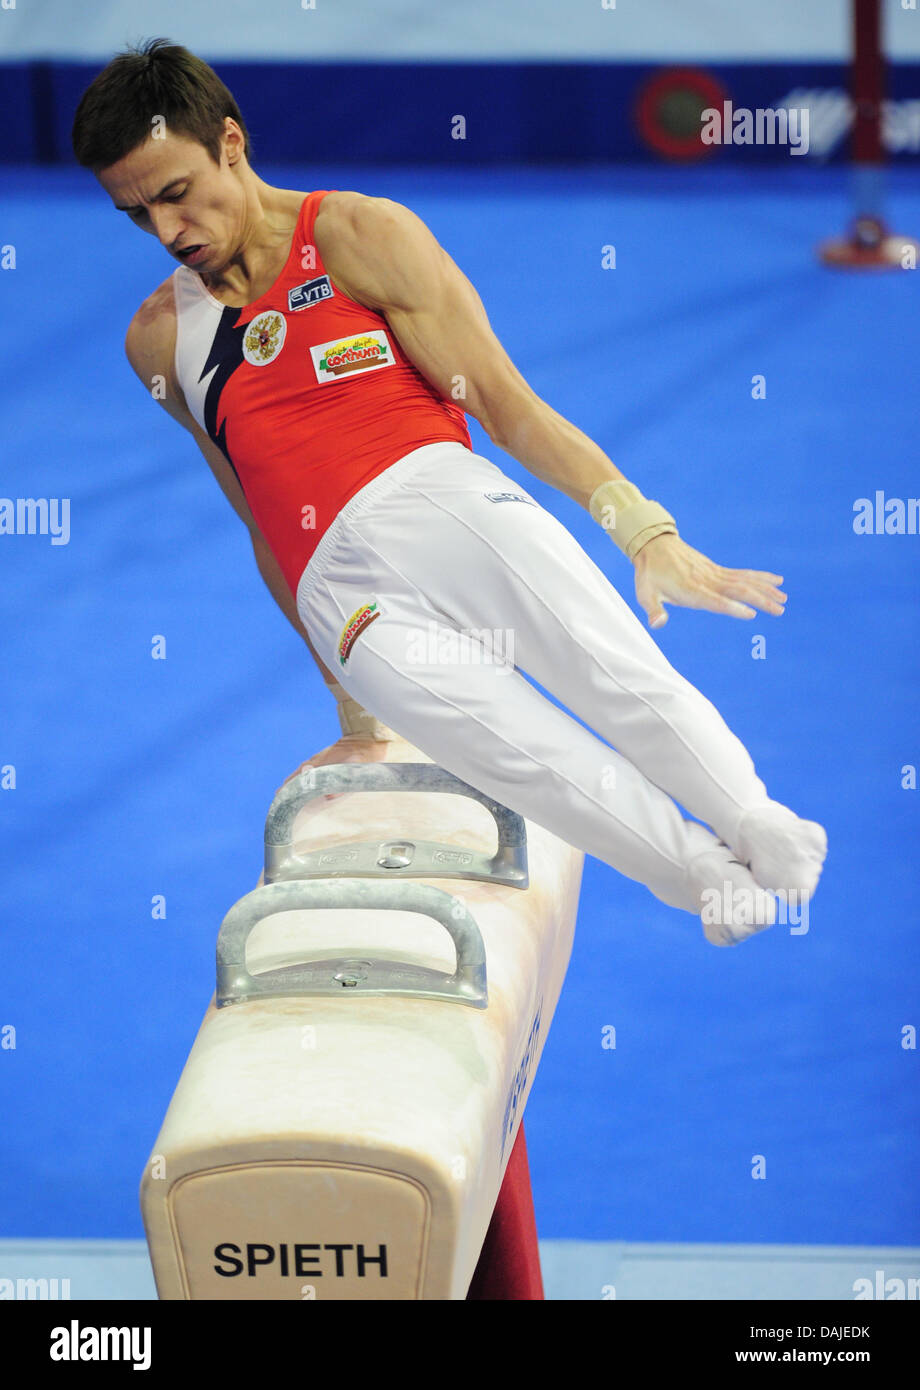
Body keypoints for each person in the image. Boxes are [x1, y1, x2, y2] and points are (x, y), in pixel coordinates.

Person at [72, 39, 826, 946]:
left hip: (437, 499)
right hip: (345, 607)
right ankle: (705, 878)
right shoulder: (160, 342)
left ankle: (759, 825)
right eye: (136, 213)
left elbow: (507, 406)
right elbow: (259, 521)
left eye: (176, 192)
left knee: (614, 673)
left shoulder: (356, 234)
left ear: (230, 141)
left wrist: (644, 531)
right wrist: (344, 697)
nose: (165, 231)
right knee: (528, 761)